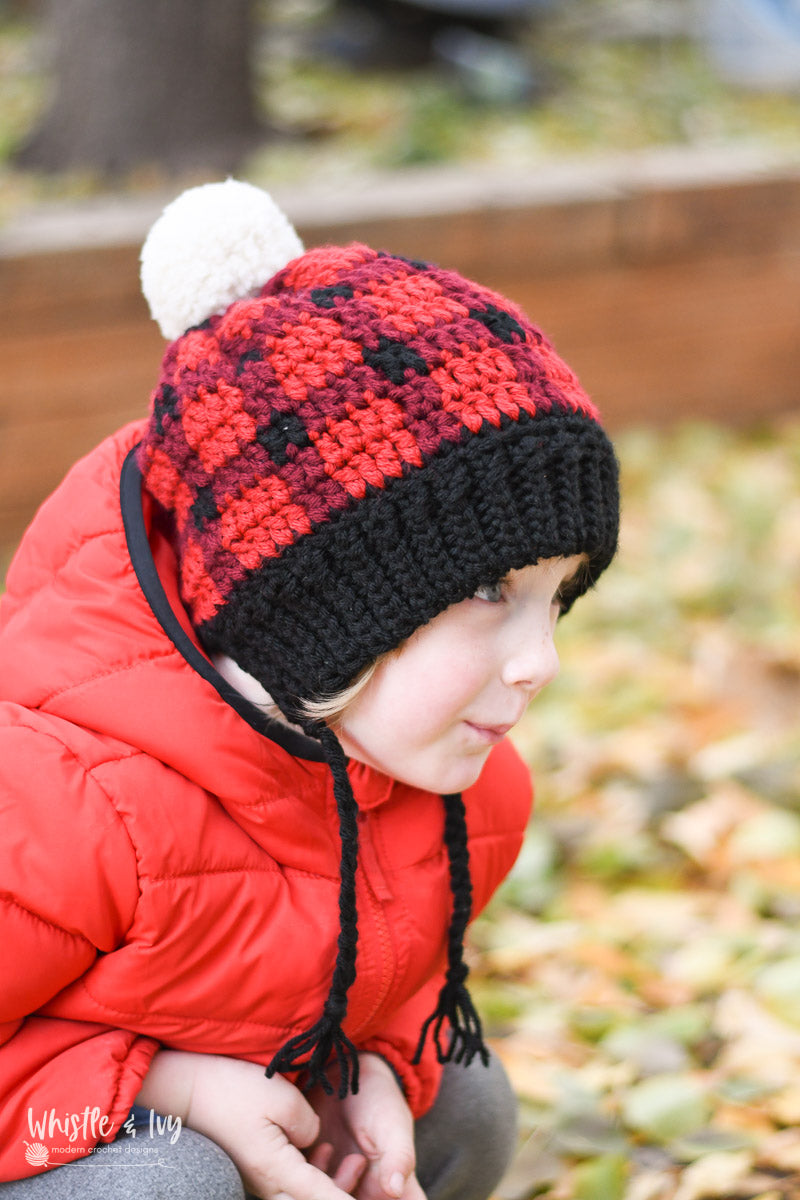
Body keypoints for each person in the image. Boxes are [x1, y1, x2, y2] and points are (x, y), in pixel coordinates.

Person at [0, 179, 619, 1199]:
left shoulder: (465, 791)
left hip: (235, 1078)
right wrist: (172, 1089)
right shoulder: (68, 805)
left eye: (557, 599)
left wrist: (373, 1063)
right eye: (485, 590)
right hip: (58, 1121)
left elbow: (377, 971)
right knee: (166, 1178)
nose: (537, 661)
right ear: (321, 609)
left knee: (458, 1102)